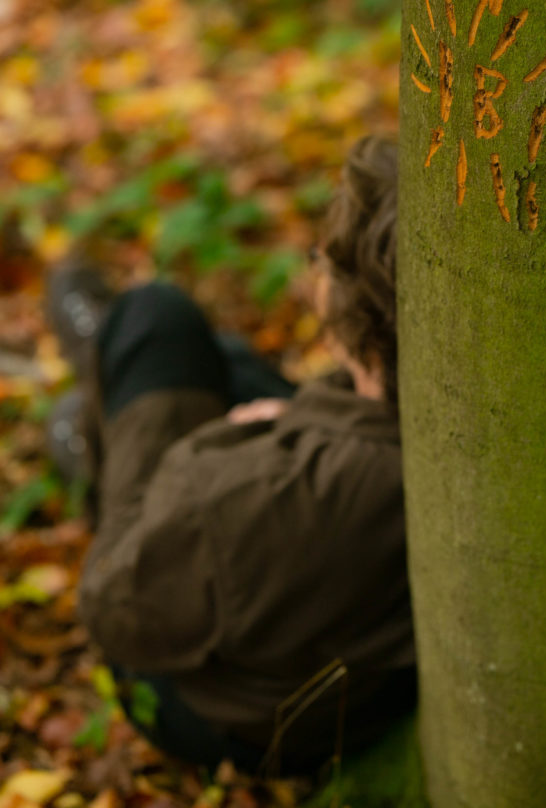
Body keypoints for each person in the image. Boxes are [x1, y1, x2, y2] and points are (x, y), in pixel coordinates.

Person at [46, 135, 415, 775]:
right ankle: (97, 381)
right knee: (231, 362)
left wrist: (217, 447)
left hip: (221, 712)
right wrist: (293, 421)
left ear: (352, 305)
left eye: (320, 261)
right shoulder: (419, 437)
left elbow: (110, 601)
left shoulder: (247, 492)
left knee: (155, 318)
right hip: (327, 633)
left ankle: (92, 404)